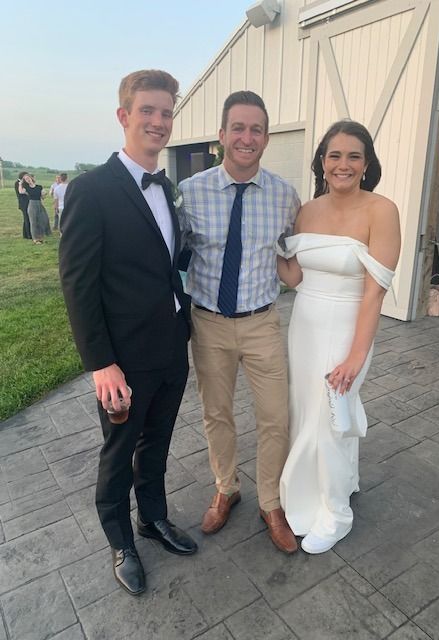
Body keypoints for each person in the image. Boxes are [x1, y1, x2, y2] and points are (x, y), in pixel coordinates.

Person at [59, 69, 197, 597]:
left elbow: (166, 263)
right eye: (148, 111)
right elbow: (78, 284)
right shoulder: (91, 190)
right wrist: (101, 363)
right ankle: (121, 542)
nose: (158, 121)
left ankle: (152, 518)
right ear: (124, 116)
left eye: (166, 112)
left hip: (171, 345)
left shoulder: (167, 188)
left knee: (157, 443)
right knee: (118, 454)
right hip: (123, 358)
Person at [178, 91, 301, 554]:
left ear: (266, 139)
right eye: (238, 128)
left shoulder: (285, 197)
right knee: (217, 413)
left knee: (275, 416)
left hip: (261, 323)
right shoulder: (191, 193)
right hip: (209, 323)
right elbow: (171, 253)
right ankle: (226, 488)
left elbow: (296, 253)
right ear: (221, 135)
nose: (247, 138)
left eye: (256, 130)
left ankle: (271, 502)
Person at [277, 120, 401, 554]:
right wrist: (265, 247)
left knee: (331, 416)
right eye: (334, 155)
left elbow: (374, 294)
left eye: (353, 156)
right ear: (322, 162)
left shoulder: (381, 210)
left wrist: (355, 356)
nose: (343, 164)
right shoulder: (307, 211)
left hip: (349, 326)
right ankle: (329, 486)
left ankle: (335, 514)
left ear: (366, 164)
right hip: (304, 325)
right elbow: (295, 277)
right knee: (306, 410)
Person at [21, 174, 52, 244]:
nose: (28, 179)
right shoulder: (26, 188)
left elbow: (43, 197)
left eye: (28, 178)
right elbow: (21, 191)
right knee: (33, 222)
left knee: (44, 219)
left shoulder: (39, 187)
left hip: (39, 204)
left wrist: (44, 194)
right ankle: (35, 239)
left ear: (31, 178)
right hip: (32, 205)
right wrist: (20, 184)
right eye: (26, 179)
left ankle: (41, 237)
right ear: (25, 181)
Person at [14, 171, 32, 239]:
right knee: (27, 219)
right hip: (23, 203)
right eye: (26, 176)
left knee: (26, 219)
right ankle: (29, 235)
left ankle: (25, 234)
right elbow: (21, 193)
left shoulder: (23, 183)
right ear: (22, 176)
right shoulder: (18, 183)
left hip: (27, 202)